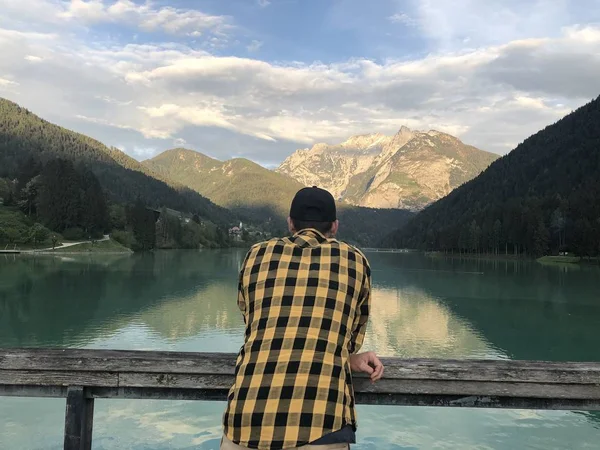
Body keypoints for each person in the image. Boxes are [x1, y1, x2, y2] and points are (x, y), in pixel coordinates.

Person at [222, 186, 384, 450]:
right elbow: (352, 335)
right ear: (334, 226)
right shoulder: (354, 260)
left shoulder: (256, 255)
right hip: (322, 423)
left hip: (246, 419)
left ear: (290, 223)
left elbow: (252, 322)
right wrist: (344, 355)